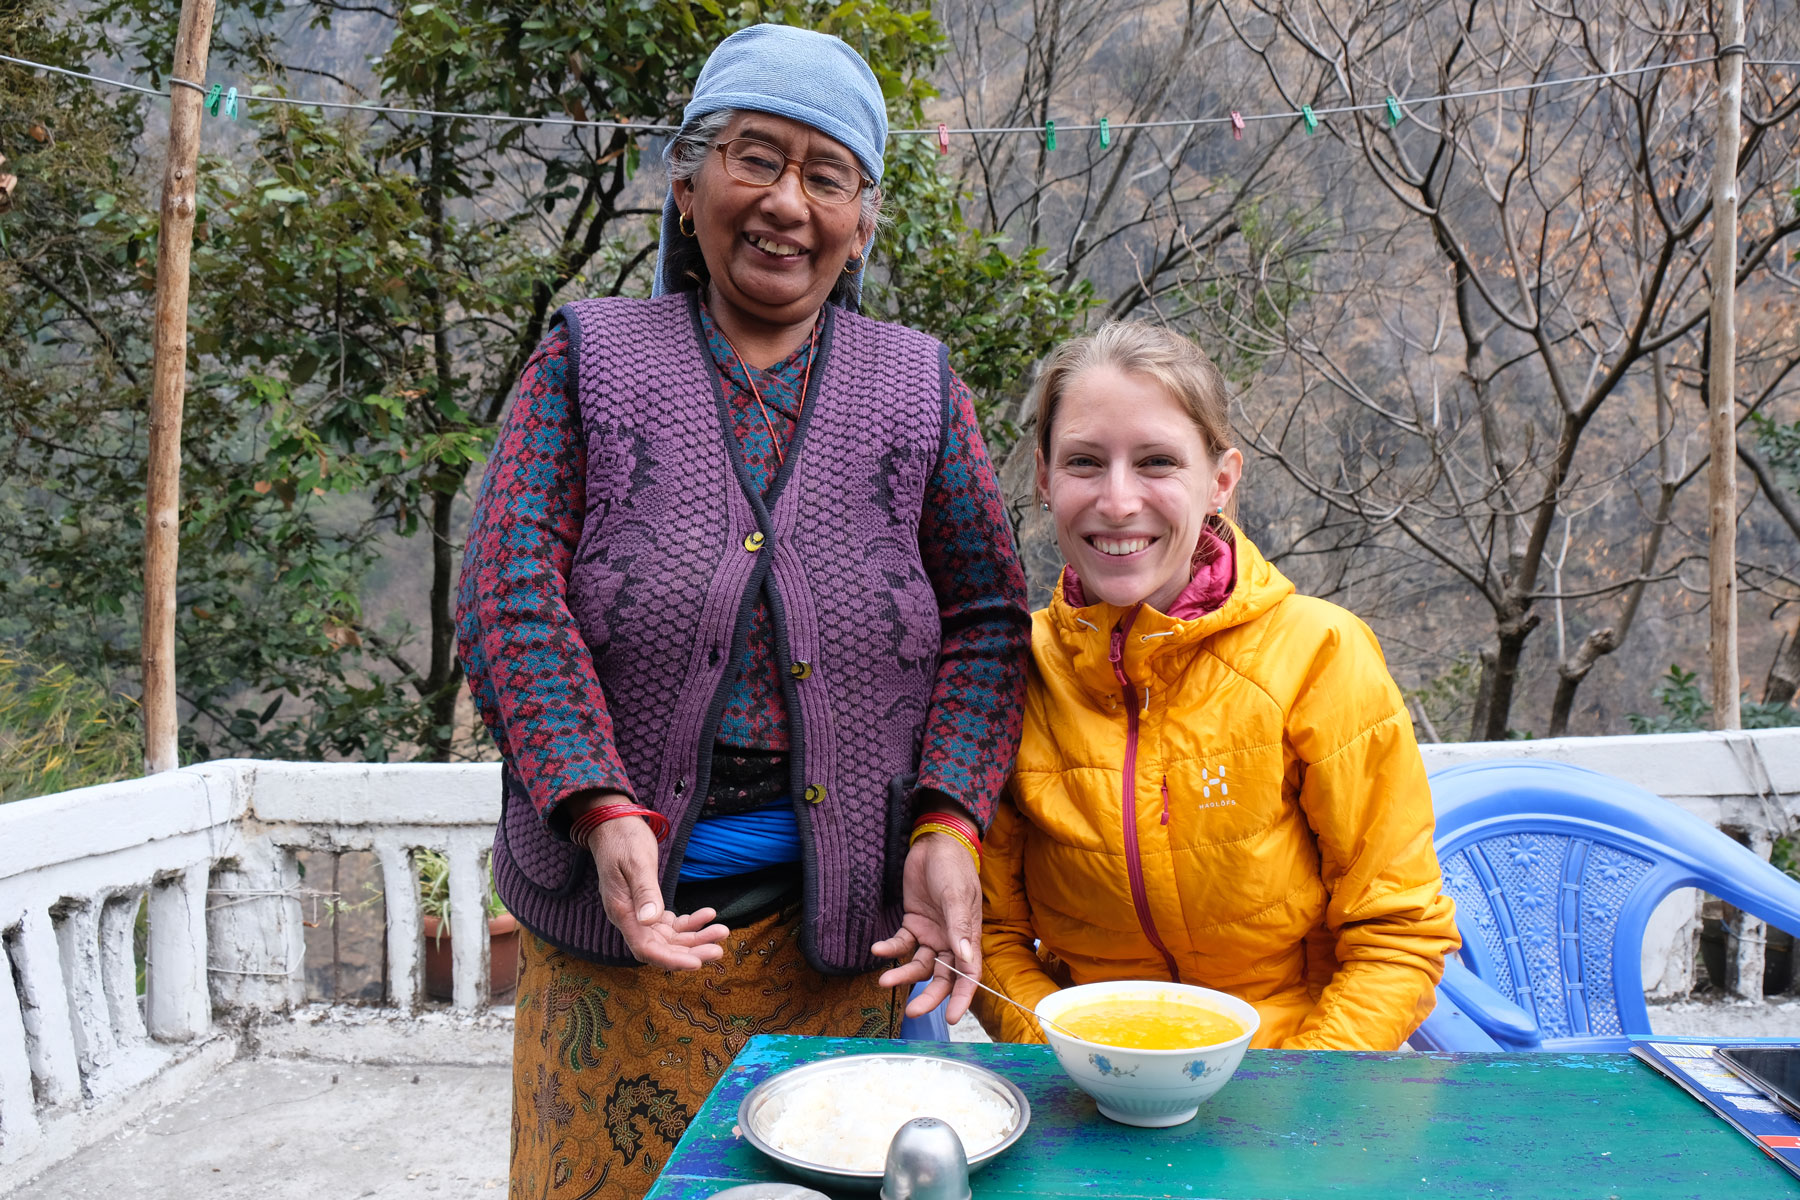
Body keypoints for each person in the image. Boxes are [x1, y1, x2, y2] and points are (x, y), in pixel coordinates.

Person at [455, 24, 1030, 1198]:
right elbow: (510, 597)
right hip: (619, 948)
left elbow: (989, 619)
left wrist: (948, 822)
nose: (786, 203)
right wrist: (598, 802)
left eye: (828, 177)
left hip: (851, 955)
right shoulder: (589, 360)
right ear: (685, 177)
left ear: (864, 220)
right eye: (753, 158)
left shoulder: (917, 387)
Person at [971, 321, 1459, 1051]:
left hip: (1292, 1078)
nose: (1117, 500)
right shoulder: (1014, 668)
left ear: (1221, 481)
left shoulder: (1319, 656)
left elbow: (1396, 931)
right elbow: (992, 931)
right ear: (1043, 480)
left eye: (1157, 462)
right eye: (1083, 462)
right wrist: (1070, 1057)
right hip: (1081, 1086)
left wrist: (1298, 1091)